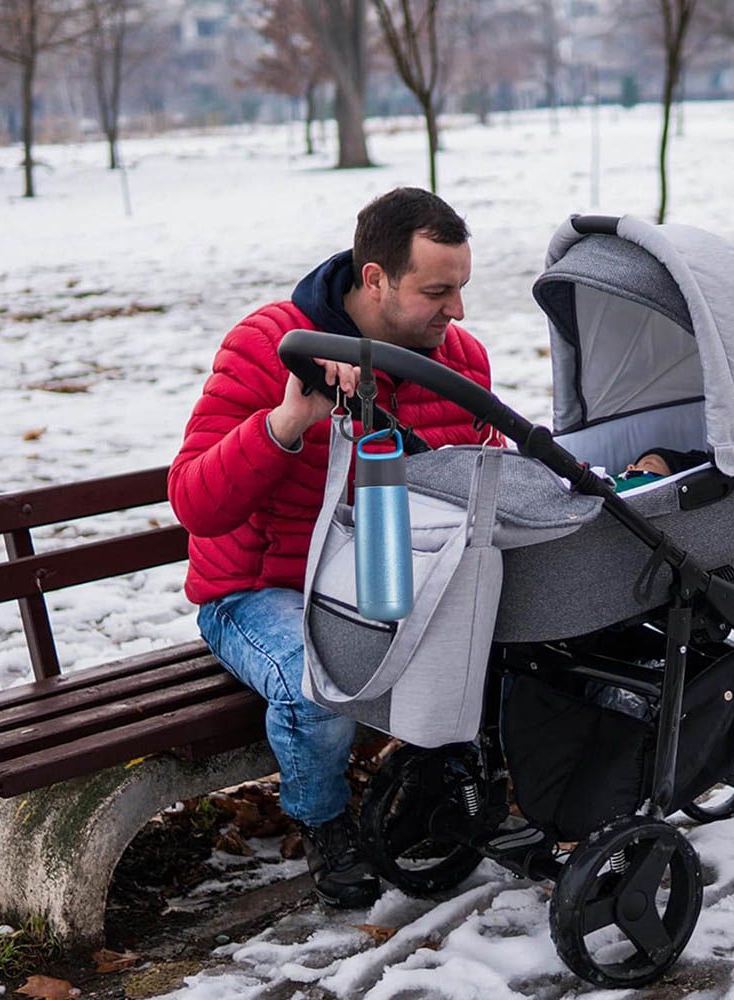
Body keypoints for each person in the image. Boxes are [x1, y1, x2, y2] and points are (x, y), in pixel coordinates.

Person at [168, 188, 499, 910]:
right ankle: (324, 823)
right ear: (374, 279)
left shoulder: (460, 358)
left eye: (462, 289)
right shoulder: (269, 346)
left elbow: (487, 472)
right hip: (261, 591)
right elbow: (195, 503)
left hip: (399, 578)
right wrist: (287, 420)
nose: (458, 313)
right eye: (437, 292)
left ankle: (446, 782)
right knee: (321, 677)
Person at [609, 447, 709, 493]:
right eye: (635, 465)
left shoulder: (648, 483)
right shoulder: (615, 478)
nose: (630, 466)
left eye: (648, 463)